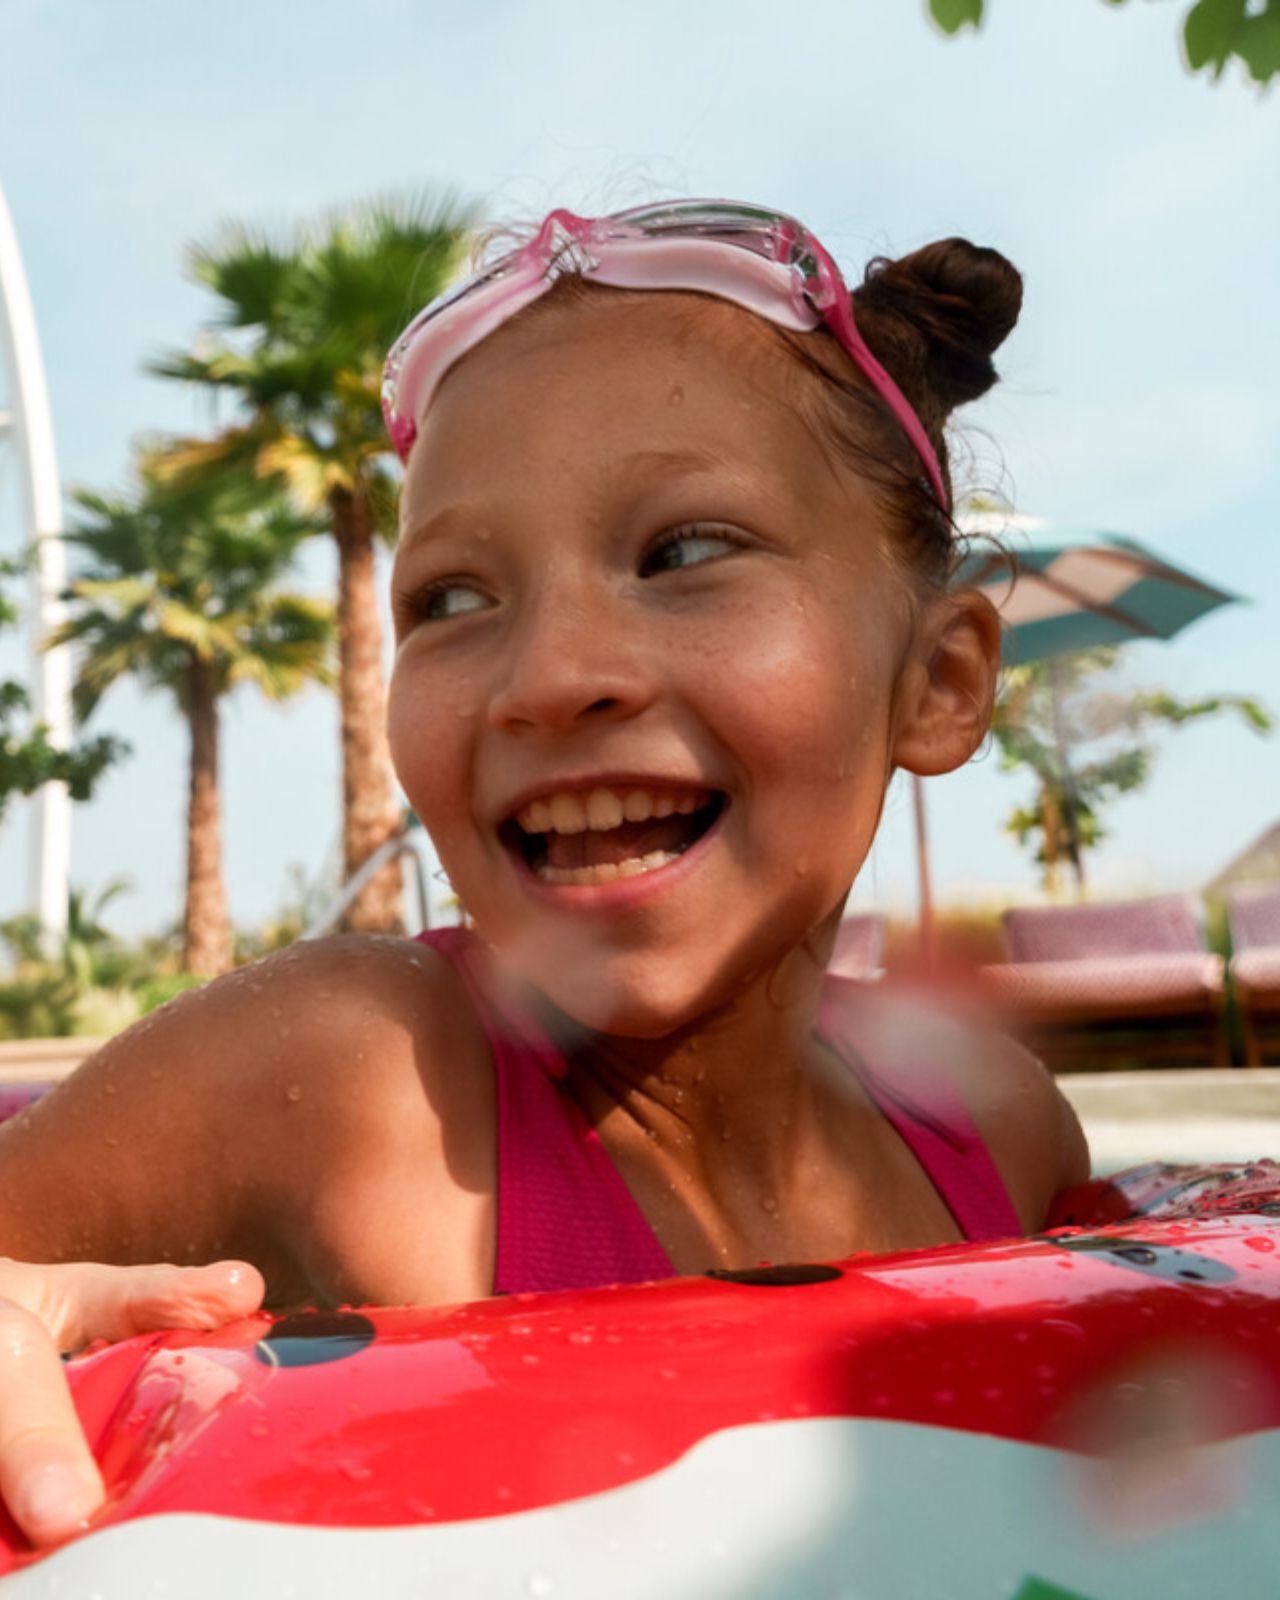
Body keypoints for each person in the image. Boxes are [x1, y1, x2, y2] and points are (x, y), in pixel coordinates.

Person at [0, 200, 1089, 1547]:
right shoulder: (352, 1076)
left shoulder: (997, 1126)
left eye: (684, 553)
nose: (553, 677)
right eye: (453, 597)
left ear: (939, 679)